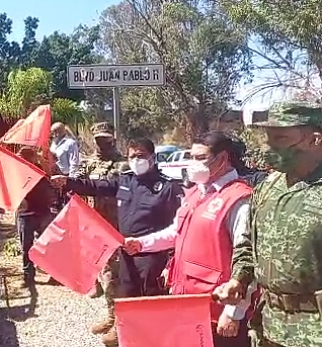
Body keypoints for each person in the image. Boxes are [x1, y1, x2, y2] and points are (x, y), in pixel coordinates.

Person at [123, 131, 253, 347]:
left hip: (217, 308)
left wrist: (233, 313)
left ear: (222, 159)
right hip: (187, 302)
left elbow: (248, 260)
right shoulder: (195, 193)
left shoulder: (239, 200)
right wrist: (142, 243)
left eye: (200, 158)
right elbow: (176, 232)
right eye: (191, 157)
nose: (192, 163)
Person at [51, 137, 183, 347]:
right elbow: (96, 186)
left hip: (153, 256)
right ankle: (125, 333)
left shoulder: (168, 187)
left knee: (150, 301)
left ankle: (151, 339)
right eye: (132, 156)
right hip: (127, 252)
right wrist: (67, 182)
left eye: (141, 156)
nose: (136, 160)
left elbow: (178, 227)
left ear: (152, 157)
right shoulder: (125, 180)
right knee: (125, 296)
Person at [213, 101, 322, 347]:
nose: (268, 147)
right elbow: (248, 243)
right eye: (267, 138)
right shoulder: (267, 188)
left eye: (280, 138)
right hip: (269, 327)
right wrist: (238, 279)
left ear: (315, 140)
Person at [79, 122, 128, 301]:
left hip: (112, 219)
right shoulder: (88, 163)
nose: (102, 144)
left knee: (111, 260)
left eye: (106, 140)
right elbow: (77, 183)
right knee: (90, 252)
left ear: (113, 140)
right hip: (91, 215)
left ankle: (113, 297)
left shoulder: (122, 164)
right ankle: (95, 283)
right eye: (99, 140)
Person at [16, 146, 57, 287]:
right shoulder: (17, 173)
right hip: (27, 214)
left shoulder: (41, 171)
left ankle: (52, 274)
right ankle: (28, 277)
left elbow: (51, 187)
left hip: (41, 213)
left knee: (45, 245)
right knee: (27, 247)